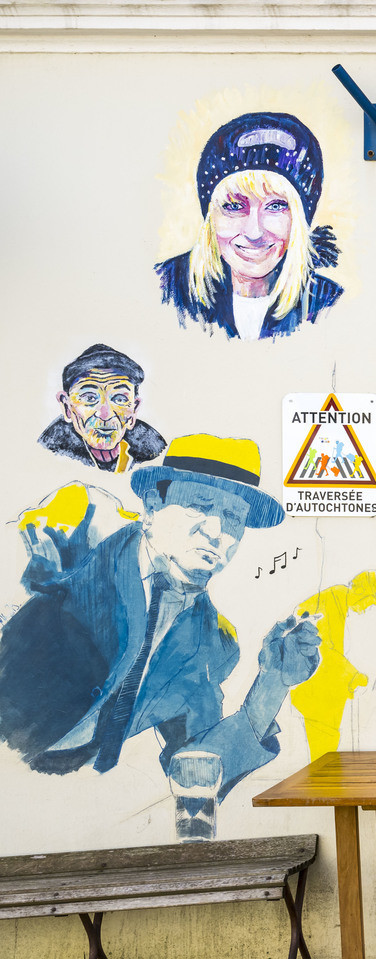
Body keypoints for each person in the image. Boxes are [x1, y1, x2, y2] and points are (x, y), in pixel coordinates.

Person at [0, 434, 322, 822]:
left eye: (234, 517)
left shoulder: (212, 643)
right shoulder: (73, 532)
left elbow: (194, 771)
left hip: (67, 803)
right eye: (199, 505)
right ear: (153, 504)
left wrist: (272, 685)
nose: (217, 530)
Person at [156, 112, 342, 339]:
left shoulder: (328, 305)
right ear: (211, 217)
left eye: (276, 206)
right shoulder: (166, 290)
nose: (254, 232)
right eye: (234, 206)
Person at [38, 345, 167, 473]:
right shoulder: (48, 456)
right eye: (89, 398)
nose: (105, 414)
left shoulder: (154, 454)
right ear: (67, 407)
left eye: (120, 399)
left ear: (134, 409)